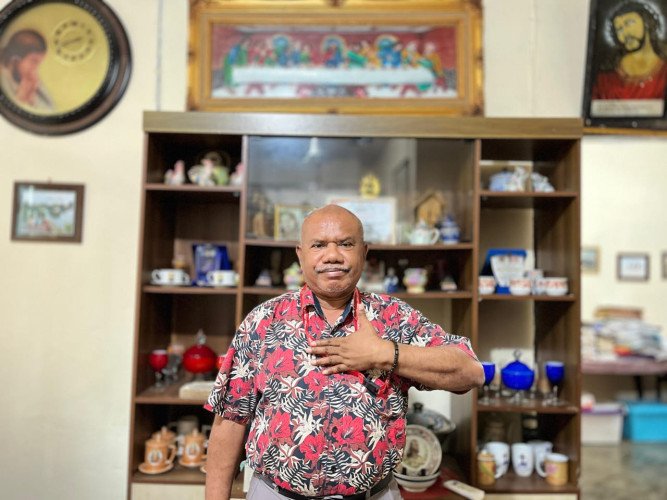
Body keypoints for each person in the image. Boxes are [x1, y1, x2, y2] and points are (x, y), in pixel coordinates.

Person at [204, 204, 484, 500]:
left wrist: (384, 353)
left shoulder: (394, 317)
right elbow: (229, 422)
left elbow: (471, 372)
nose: (332, 255)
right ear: (300, 254)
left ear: (364, 252)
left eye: (346, 244)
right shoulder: (263, 321)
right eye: (319, 245)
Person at [592, 1, 667, 100]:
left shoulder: (664, 71)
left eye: (629, 23)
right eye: (619, 29)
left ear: (647, 23)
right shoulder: (606, 78)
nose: (625, 33)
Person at [0, 29, 54, 111]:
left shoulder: (31, 81)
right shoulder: (4, 80)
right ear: (16, 59)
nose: (35, 68)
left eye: (39, 63)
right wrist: (21, 100)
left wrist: (31, 99)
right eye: (34, 61)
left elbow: (50, 109)